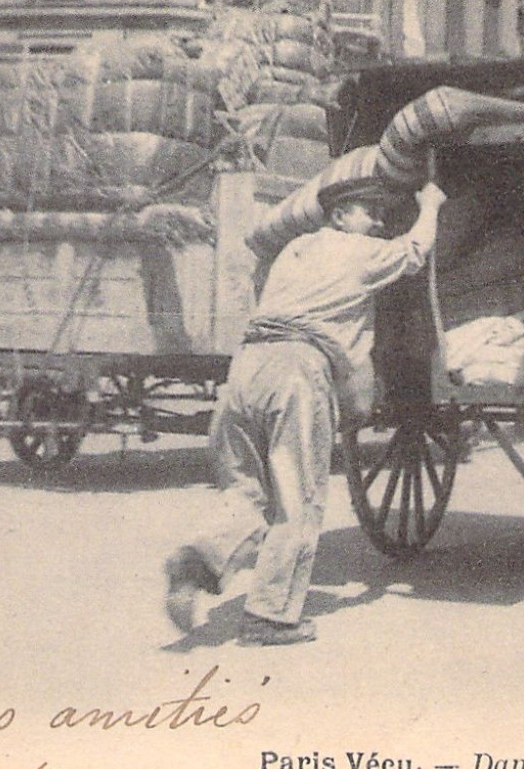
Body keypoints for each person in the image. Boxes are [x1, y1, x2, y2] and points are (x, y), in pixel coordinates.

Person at [165, 176, 446, 646]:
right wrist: (431, 205)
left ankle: (197, 563)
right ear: (339, 217)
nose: (378, 221)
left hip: (246, 366)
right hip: (297, 369)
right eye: (367, 212)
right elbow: (415, 251)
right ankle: (270, 617)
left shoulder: (293, 251)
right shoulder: (359, 252)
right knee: (299, 495)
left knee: (247, 489)